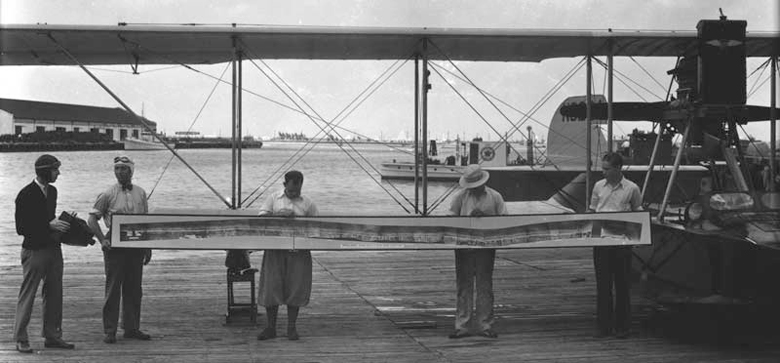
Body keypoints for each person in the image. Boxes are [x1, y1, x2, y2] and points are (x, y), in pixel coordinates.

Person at [13, 154, 75, 353]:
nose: (58, 173)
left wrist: (64, 224)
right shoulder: (25, 194)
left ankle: (52, 335)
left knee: (55, 293)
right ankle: (21, 338)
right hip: (34, 250)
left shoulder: (53, 191)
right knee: (28, 294)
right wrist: (49, 225)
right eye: (55, 169)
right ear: (45, 171)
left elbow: (49, 219)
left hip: (53, 248)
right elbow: (21, 228)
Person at [87, 155, 152, 344]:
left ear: (131, 171)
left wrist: (147, 247)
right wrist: (102, 240)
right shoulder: (107, 194)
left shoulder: (141, 193)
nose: (120, 172)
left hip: (136, 243)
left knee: (134, 288)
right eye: (117, 168)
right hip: (114, 244)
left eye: (124, 168)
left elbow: (146, 221)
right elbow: (92, 219)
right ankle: (110, 330)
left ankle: (132, 328)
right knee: (113, 288)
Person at [256, 170, 319, 341]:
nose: (293, 194)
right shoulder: (273, 198)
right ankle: (271, 328)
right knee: (271, 287)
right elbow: (260, 219)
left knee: (296, 288)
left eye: (297, 191)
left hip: (299, 251)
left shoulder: (308, 203)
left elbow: (317, 227)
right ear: (284, 185)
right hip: (275, 249)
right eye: (290, 190)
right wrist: (277, 215)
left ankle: (292, 328)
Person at [448, 164, 507, 339]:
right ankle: (462, 326)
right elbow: (450, 220)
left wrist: (486, 218)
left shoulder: (495, 196)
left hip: (486, 247)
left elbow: (505, 219)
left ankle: (485, 325)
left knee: (485, 286)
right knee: (463, 286)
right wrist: (467, 219)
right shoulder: (459, 197)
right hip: (464, 247)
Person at [589, 152, 642, 339]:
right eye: (602, 168)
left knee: (622, 284)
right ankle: (603, 327)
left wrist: (637, 237)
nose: (603, 172)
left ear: (618, 168)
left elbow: (638, 211)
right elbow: (592, 211)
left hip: (622, 243)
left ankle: (622, 326)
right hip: (602, 242)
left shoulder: (632, 188)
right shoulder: (598, 186)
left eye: (607, 168)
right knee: (603, 286)